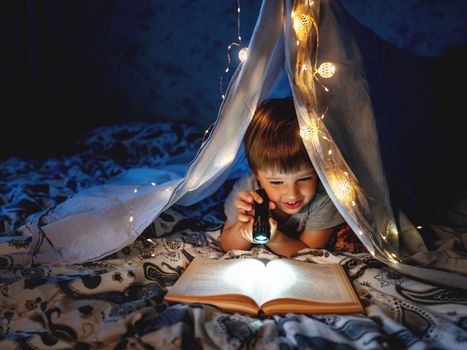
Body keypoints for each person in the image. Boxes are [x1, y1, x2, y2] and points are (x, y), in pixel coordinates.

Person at [220, 98, 345, 257]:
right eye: (277, 182)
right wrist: (243, 231)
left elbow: (311, 252)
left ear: (319, 170)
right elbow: (226, 244)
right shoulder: (248, 190)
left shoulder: (324, 197)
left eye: (304, 178)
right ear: (256, 174)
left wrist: (275, 239)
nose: (292, 193)